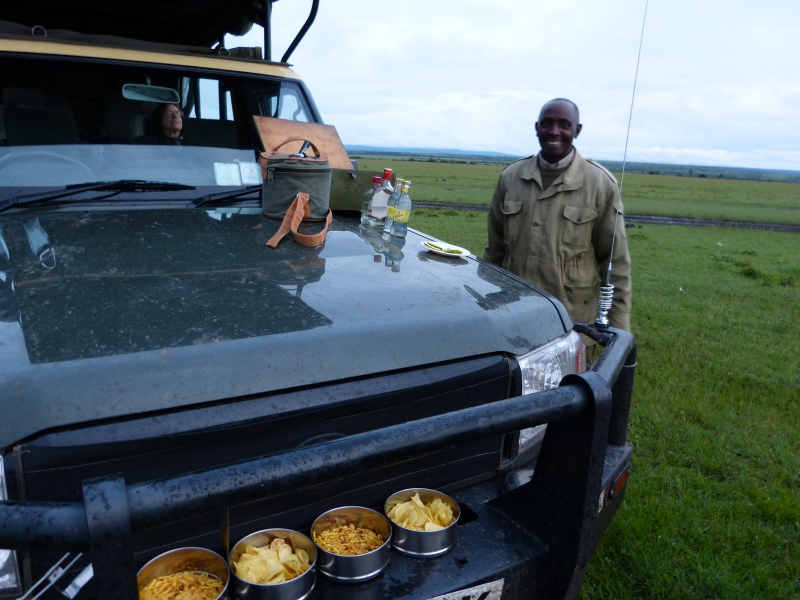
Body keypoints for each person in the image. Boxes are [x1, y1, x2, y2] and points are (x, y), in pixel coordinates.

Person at [484, 98, 631, 361]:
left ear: (577, 130)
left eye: (564, 124)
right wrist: (486, 312)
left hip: (572, 326)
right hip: (512, 319)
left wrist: (619, 340)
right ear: (536, 127)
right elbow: (493, 254)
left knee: (569, 387)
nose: (554, 131)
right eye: (547, 123)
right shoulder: (510, 177)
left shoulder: (600, 184)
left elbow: (615, 266)